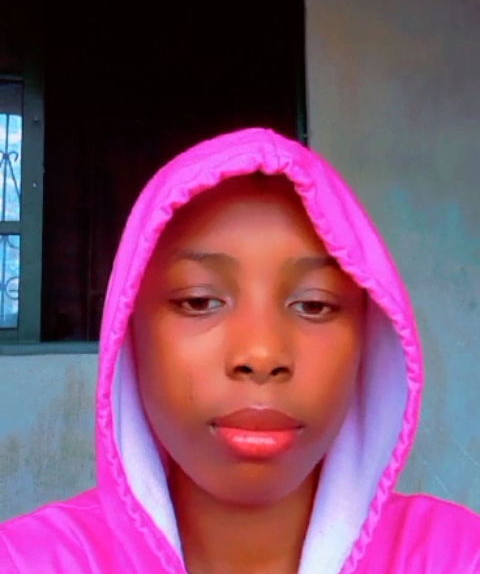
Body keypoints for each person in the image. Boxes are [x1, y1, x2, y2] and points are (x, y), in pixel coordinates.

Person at [1, 127, 479, 574]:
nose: (262, 353)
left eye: (314, 304)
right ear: (130, 335)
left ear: (370, 343)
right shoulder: (30, 561)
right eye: (199, 301)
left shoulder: (454, 556)